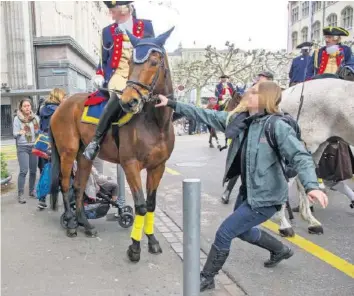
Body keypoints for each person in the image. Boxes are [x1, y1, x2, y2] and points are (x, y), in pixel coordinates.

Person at [155, 81, 328, 292]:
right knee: (244, 232)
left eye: (254, 92)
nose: (248, 93)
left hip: (267, 197)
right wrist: (171, 103)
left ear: (266, 98)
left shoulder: (277, 126)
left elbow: (301, 156)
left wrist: (312, 186)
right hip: (249, 191)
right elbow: (205, 114)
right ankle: (280, 250)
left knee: (225, 232)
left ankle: (207, 277)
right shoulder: (242, 121)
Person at [83, 1, 155, 161]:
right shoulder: (107, 31)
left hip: (140, 73)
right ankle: (95, 141)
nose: (110, 14)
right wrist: (100, 73)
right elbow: (103, 58)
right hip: (119, 74)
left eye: (112, 10)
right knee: (119, 95)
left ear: (123, 10)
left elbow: (155, 50)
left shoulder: (146, 26)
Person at [37, 88, 66, 209]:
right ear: (58, 97)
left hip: (43, 143)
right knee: (56, 170)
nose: (65, 99)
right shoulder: (59, 110)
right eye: (63, 96)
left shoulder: (43, 109)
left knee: (45, 170)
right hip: (54, 142)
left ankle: (42, 198)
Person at [13, 98, 40, 204]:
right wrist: (20, 132)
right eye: (25, 106)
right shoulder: (17, 119)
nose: (27, 107)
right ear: (21, 108)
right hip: (22, 147)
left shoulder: (35, 118)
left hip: (34, 146)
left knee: (33, 171)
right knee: (24, 171)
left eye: (28, 105)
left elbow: (38, 132)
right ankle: (20, 194)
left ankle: (31, 191)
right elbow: (14, 134)